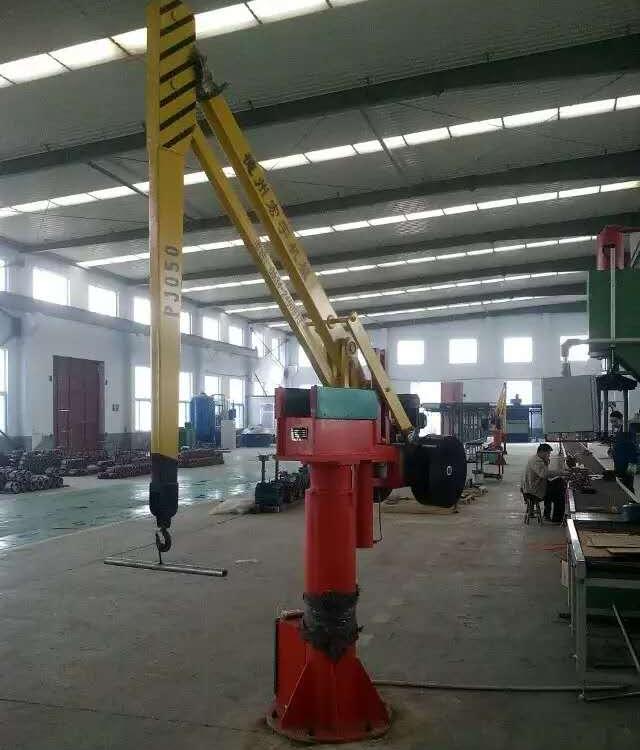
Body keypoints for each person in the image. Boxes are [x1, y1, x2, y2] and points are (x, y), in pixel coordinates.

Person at [521, 443, 566, 522]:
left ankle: (547, 514)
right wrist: (561, 473)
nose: (549, 455)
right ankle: (557, 519)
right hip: (533, 490)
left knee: (558, 483)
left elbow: (545, 475)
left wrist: (546, 462)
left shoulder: (537, 459)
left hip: (534, 486)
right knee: (559, 492)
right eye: (548, 453)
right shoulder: (536, 461)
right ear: (541, 452)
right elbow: (544, 474)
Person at [609, 410, 637, 492]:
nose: (613, 424)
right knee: (623, 486)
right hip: (621, 464)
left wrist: (631, 468)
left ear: (621, 419)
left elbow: (633, 449)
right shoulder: (620, 430)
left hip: (627, 465)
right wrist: (613, 450)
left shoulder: (626, 431)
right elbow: (621, 445)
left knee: (628, 487)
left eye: (615, 421)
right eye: (611, 422)